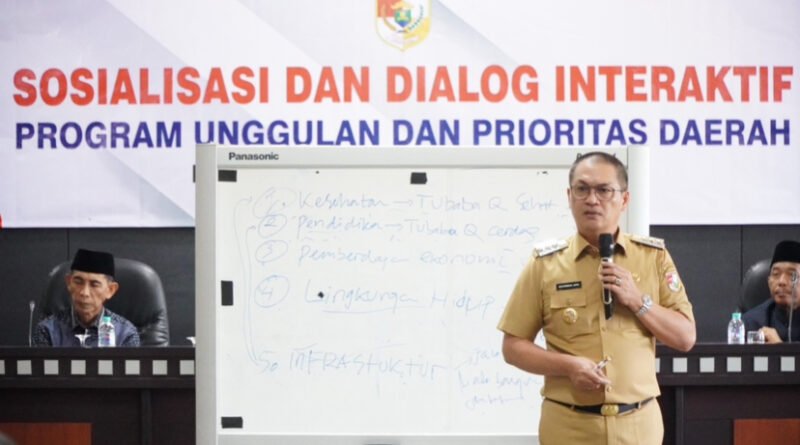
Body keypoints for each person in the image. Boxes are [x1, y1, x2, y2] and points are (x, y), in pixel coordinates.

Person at [497, 151, 696, 445]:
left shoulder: (653, 257)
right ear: (569, 197)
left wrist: (638, 300)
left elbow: (685, 337)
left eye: (604, 190)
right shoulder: (545, 264)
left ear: (624, 200)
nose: (592, 199)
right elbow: (513, 347)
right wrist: (568, 366)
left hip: (638, 425)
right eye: (582, 189)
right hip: (569, 426)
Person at [33, 248, 140, 347]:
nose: (84, 293)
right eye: (78, 282)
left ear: (110, 290)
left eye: (94, 285)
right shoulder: (47, 330)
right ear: (69, 283)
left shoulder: (126, 333)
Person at [743, 240, 800, 343]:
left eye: (792, 275)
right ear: (769, 281)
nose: (781, 281)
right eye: (776, 274)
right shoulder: (751, 323)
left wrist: (778, 347)